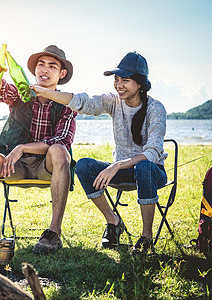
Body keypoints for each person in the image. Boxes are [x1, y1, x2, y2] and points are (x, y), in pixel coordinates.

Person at [29, 52, 168, 254]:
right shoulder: (113, 102)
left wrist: (117, 164)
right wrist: (43, 91)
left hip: (151, 173)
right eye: (117, 79)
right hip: (121, 172)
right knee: (83, 165)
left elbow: (153, 152)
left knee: (144, 165)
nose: (119, 85)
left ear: (140, 84)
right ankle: (113, 222)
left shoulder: (155, 109)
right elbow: (82, 102)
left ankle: (146, 237)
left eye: (126, 80)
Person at [0, 45, 77, 256]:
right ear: (35, 70)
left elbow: (63, 139)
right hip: (14, 166)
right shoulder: (21, 92)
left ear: (62, 74)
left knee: (60, 150)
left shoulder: (68, 104)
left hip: (47, 167)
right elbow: (0, 91)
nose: (45, 70)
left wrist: (23, 147)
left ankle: (53, 233)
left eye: (52, 66)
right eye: (41, 65)